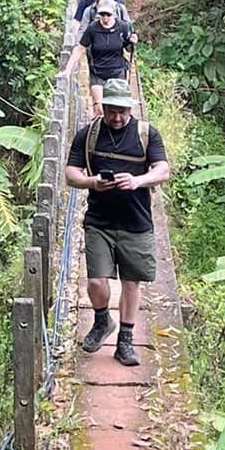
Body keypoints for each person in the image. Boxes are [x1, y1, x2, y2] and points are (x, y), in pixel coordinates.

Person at [65, 79, 168, 367]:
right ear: (103, 107)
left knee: (131, 283)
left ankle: (125, 341)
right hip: (99, 221)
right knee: (96, 281)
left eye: (122, 111)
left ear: (130, 108)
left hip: (136, 222)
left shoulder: (147, 134)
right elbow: (71, 173)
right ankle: (101, 321)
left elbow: (163, 170)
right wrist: (92, 182)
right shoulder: (89, 135)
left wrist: (137, 181)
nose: (117, 117)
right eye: (112, 111)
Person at [76, 0, 134, 118]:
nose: (105, 18)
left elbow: (128, 48)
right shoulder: (92, 29)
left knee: (117, 108)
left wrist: (131, 41)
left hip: (117, 71)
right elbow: (80, 48)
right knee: (100, 109)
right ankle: (98, 133)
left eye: (108, 14)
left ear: (113, 13)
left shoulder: (122, 27)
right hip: (98, 71)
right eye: (102, 14)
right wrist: (67, 70)